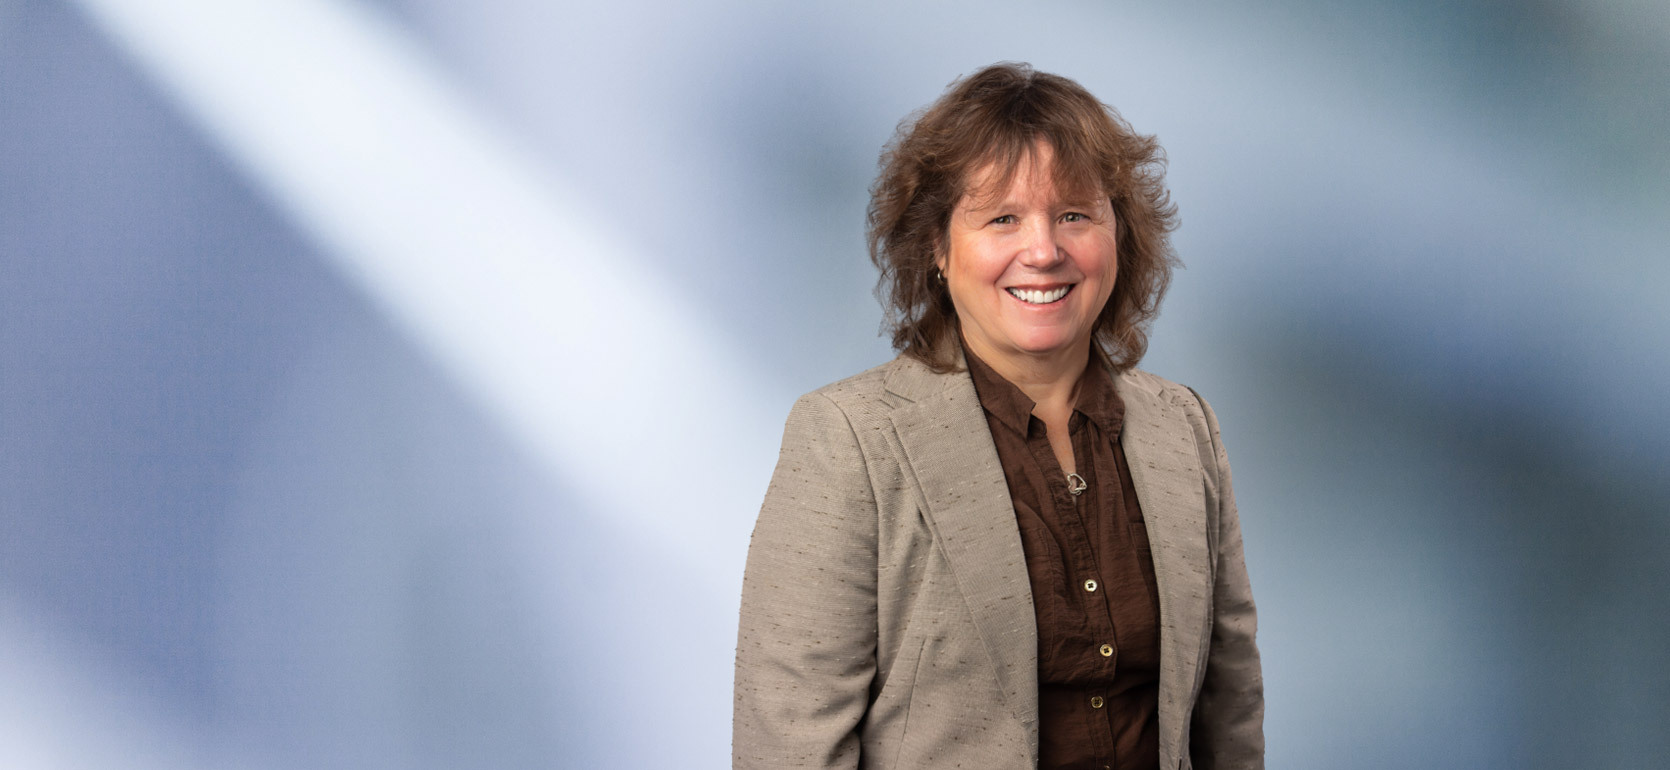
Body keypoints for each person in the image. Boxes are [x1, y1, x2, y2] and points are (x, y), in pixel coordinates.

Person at [734, 62, 1263, 770]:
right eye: (1002, 219)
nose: (1043, 251)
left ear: (1119, 234)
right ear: (938, 248)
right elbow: (788, 744)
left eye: (1075, 214)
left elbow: (1229, 716)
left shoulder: (1185, 428)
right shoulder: (849, 440)